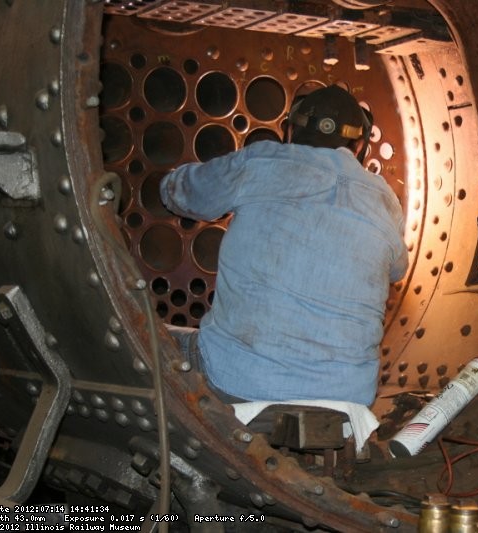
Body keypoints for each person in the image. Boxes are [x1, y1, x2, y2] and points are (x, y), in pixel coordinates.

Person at [160, 85, 408, 406]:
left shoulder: (260, 161)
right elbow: (396, 269)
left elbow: (181, 193)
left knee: (145, 337)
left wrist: (168, 185)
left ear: (290, 129)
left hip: (236, 379)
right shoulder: (385, 198)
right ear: (359, 145)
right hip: (347, 399)